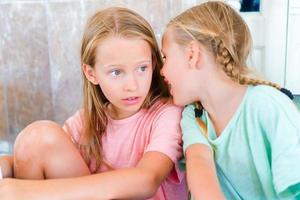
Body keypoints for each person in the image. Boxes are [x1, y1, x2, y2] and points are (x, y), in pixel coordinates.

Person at [0, 7, 188, 199]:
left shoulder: (168, 114)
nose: (132, 85)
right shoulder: (86, 121)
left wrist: (29, 193)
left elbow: (147, 180)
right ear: (91, 73)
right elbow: (31, 155)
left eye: (142, 68)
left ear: (153, 64)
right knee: (35, 138)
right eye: (116, 72)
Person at [160, 1, 300, 199]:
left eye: (165, 57)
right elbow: (199, 163)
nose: (162, 71)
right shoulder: (194, 115)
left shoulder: (268, 104)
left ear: (192, 55)